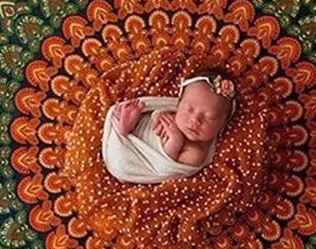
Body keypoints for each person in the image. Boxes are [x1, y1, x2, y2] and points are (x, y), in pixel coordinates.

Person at [101, 69, 236, 184]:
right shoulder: (176, 115)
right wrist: (158, 115)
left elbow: (164, 167)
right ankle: (129, 125)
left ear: (222, 125)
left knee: (122, 161)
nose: (195, 120)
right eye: (189, 109)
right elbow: (156, 113)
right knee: (144, 119)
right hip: (140, 135)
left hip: (134, 159)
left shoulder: (196, 153)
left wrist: (175, 141)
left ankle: (124, 133)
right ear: (179, 104)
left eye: (209, 117)